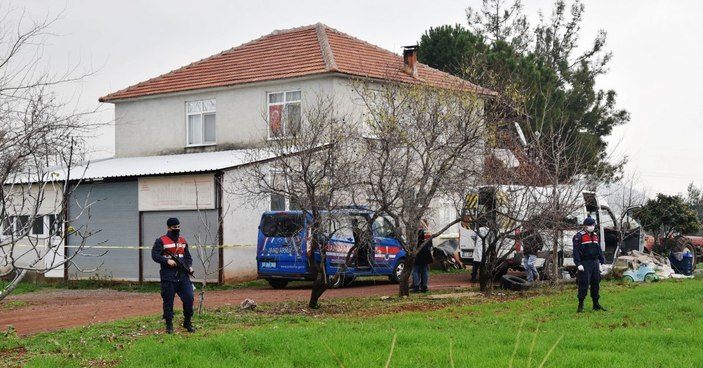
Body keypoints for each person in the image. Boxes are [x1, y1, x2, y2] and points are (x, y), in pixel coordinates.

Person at [152, 217, 196, 333]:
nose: (177, 229)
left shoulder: (183, 241)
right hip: (168, 276)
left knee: (189, 298)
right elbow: (155, 255)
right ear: (168, 228)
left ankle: (187, 322)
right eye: (174, 227)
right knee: (168, 301)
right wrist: (167, 261)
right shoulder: (161, 240)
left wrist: (190, 266)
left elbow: (188, 257)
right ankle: (169, 325)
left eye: (178, 227)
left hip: (183, 276)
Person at [573, 216, 607, 313]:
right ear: (585, 226)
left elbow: (599, 250)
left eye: (593, 225)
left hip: (595, 262)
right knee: (584, 283)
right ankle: (580, 305)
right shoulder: (579, 236)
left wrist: (602, 262)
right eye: (590, 225)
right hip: (585, 263)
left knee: (596, 283)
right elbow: (576, 252)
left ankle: (596, 304)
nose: (592, 227)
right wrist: (578, 263)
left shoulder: (595, 235)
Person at [412, 220, 433, 293]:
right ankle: (424, 286)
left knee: (415, 270)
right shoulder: (428, 232)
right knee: (425, 270)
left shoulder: (416, 232)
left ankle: (416, 286)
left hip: (418, 252)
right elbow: (430, 243)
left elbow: (413, 243)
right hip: (426, 253)